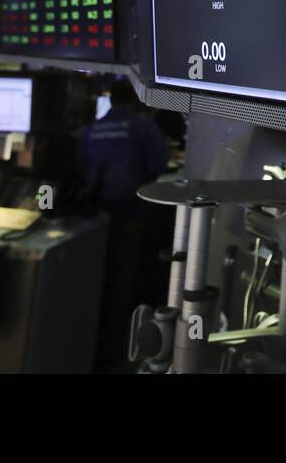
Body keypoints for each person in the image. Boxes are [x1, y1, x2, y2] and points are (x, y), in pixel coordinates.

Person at [78, 81, 169, 369]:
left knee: (97, 277)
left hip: (94, 217)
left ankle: (95, 340)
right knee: (123, 276)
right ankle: (118, 347)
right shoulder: (142, 127)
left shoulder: (91, 130)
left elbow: (81, 171)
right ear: (135, 99)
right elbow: (160, 163)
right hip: (132, 211)